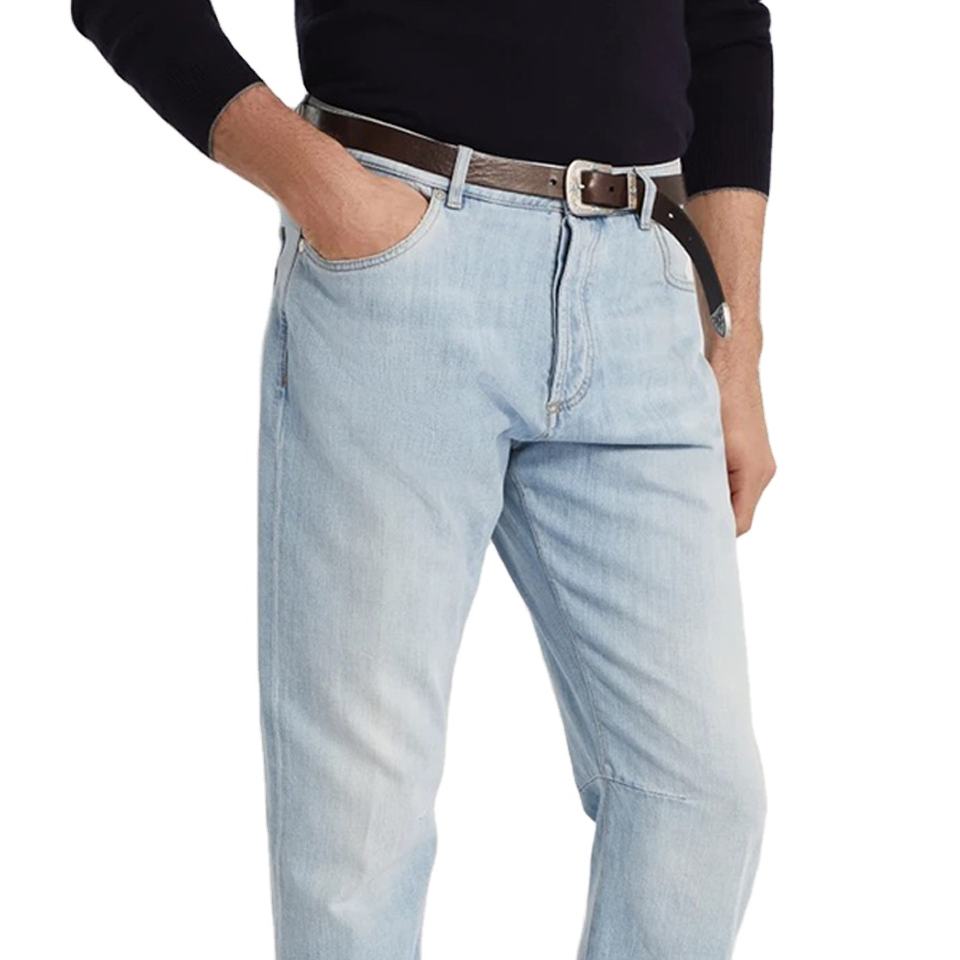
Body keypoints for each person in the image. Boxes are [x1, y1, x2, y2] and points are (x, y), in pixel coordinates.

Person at [72, 1, 776, 956]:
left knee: (702, 793)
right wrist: (329, 192)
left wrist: (737, 352)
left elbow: (723, 26)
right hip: (402, 261)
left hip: (645, 288)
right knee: (358, 830)